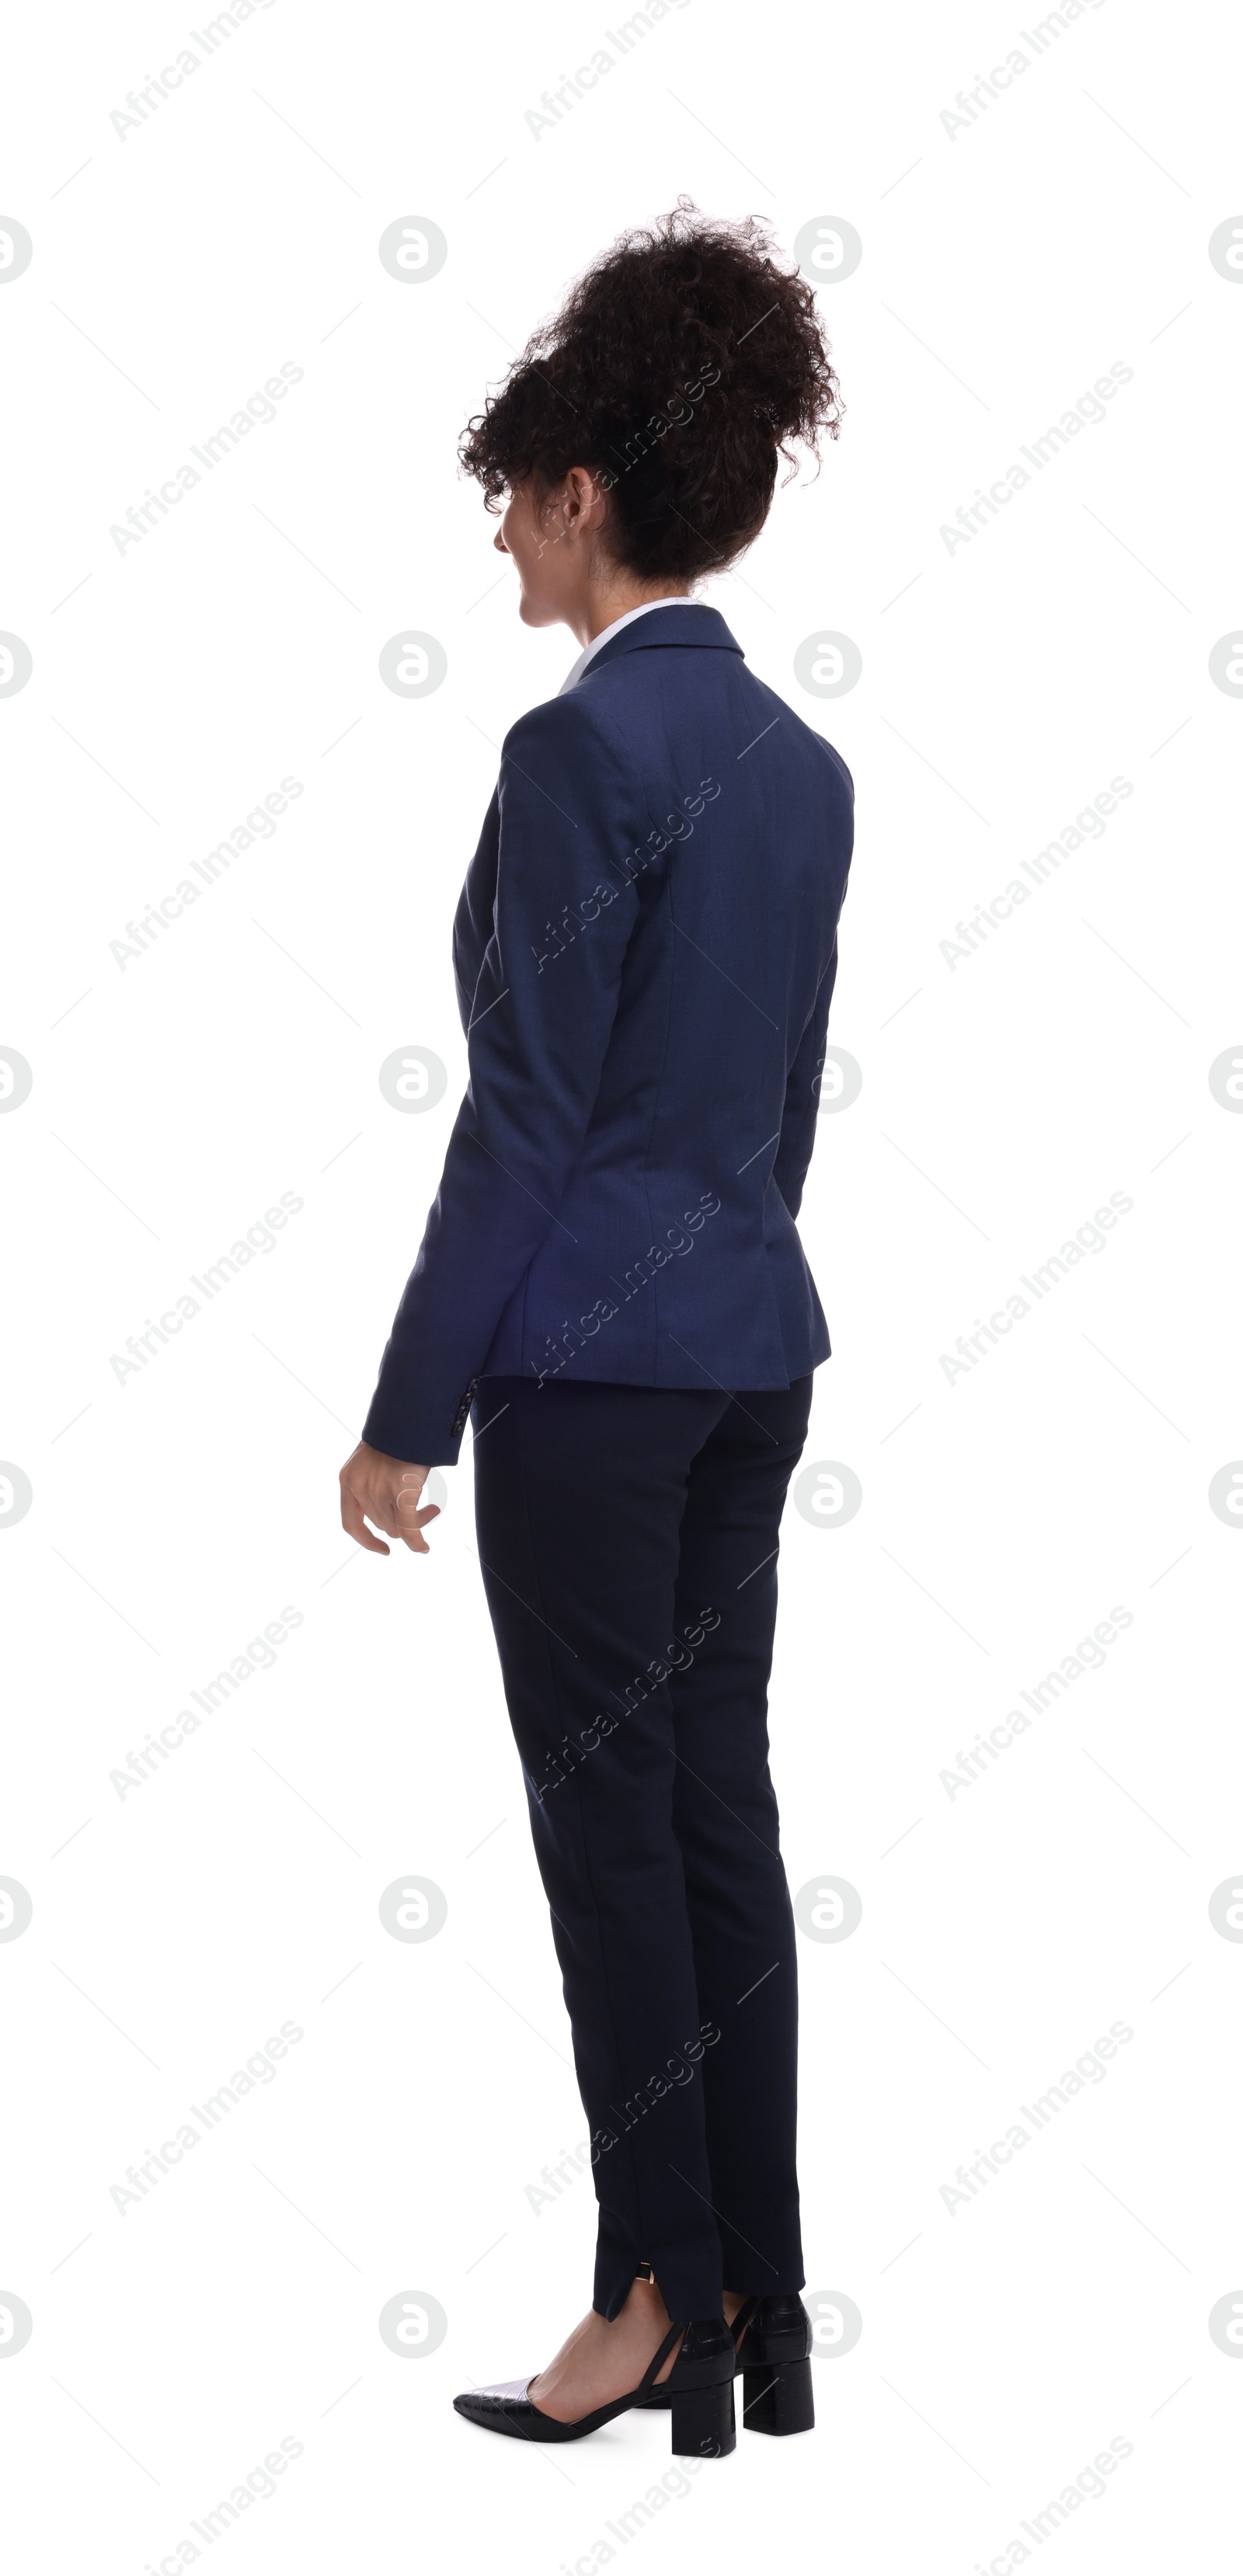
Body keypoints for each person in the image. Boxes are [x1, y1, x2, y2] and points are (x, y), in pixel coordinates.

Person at [339, 203, 853, 2455]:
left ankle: (648, 2297)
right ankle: (763, 2289)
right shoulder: (806, 772)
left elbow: (523, 1126)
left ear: (576, 492)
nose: (507, 559)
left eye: (513, 513)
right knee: (718, 1806)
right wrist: (726, 1282)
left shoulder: (576, 758)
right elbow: (785, 1099)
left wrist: (402, 1413)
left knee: (610, 1833)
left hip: (589, 1373)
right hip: (753, 1345)